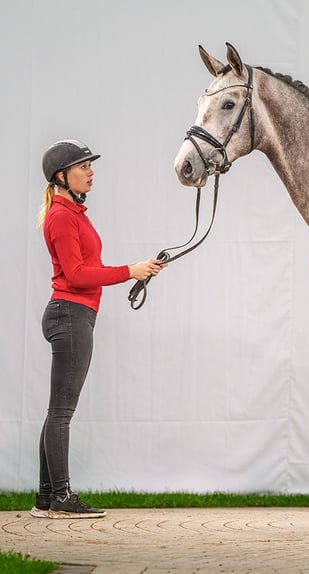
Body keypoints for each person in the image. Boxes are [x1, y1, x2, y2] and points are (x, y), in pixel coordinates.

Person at [31, 139, 166, 519]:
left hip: (73, 315)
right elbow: (76, 274)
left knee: (57, 411)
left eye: (90, 166)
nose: (91, 172)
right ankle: (61, 496)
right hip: (70, 315)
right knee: (61, 413)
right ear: (62, 176)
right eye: (83, 167)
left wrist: (141, 270)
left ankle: (47, 497)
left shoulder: (73, 213)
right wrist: (129, 271)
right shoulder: (62, 216)